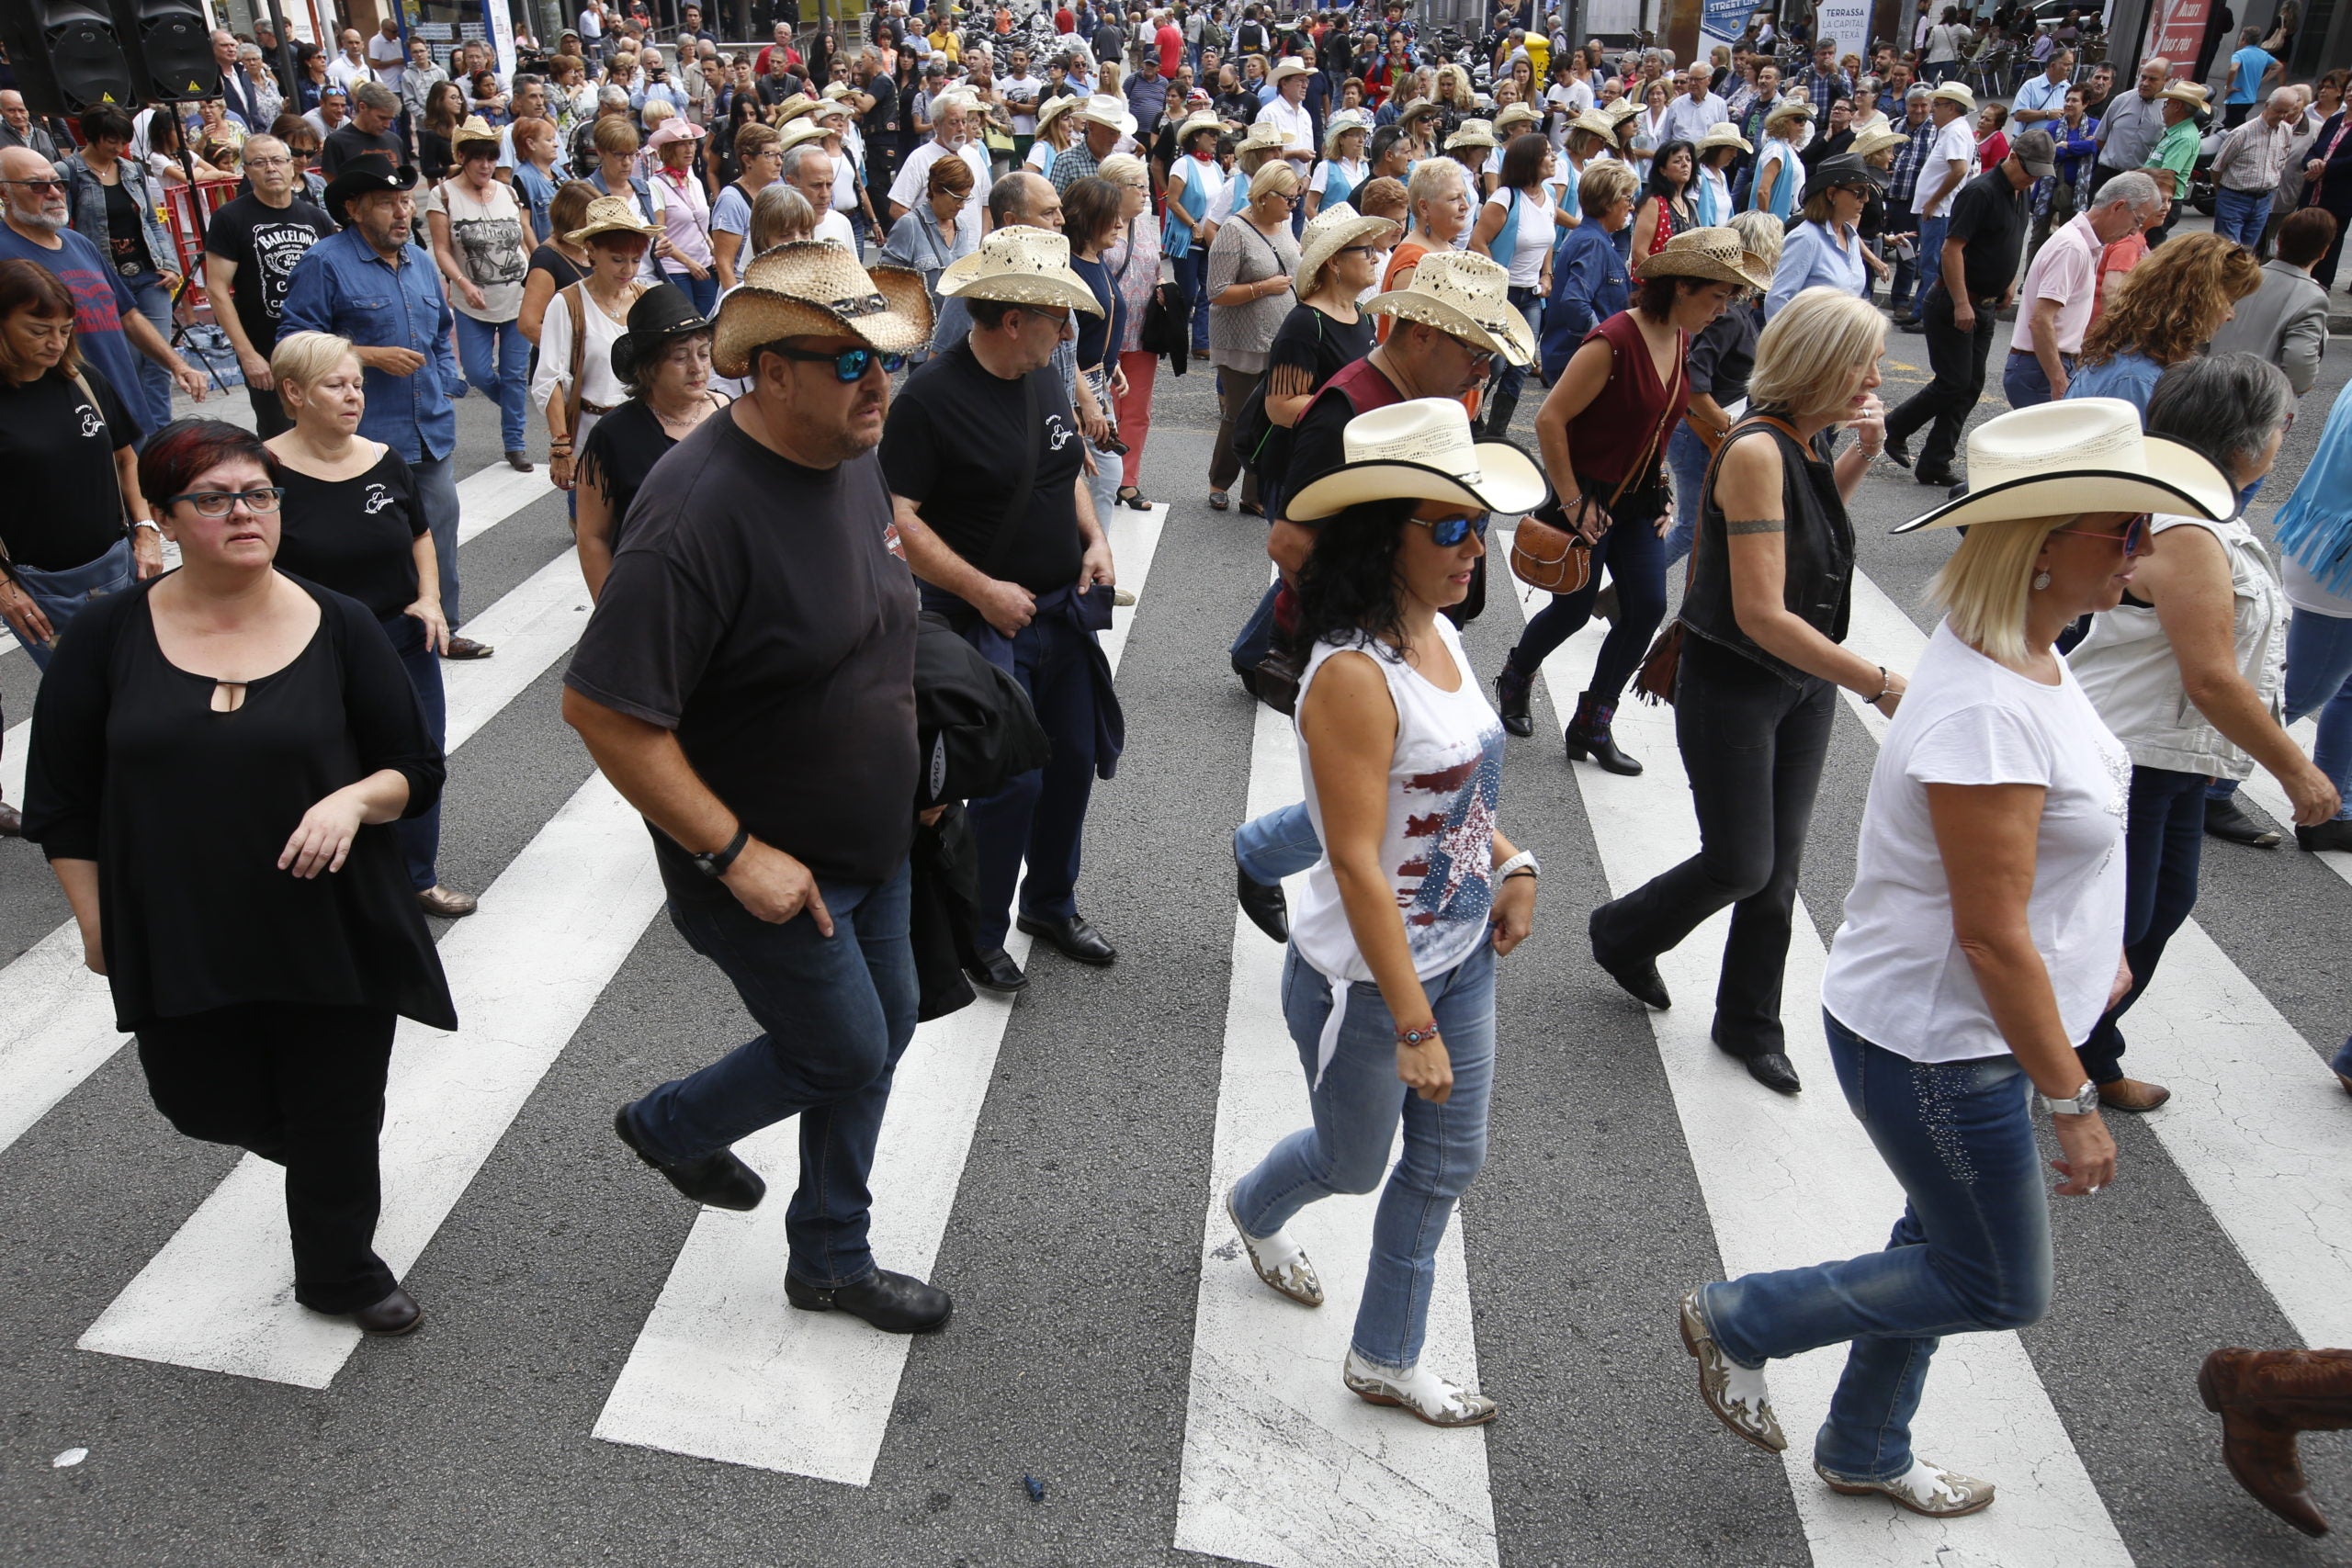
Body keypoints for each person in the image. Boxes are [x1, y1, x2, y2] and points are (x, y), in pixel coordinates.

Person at [1677, 400, 2235, 1521]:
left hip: (1958, 1028)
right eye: (2122, 530)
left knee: (1937, 1239)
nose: (2146, 550)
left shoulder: (2029, 652)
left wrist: (2095, 964)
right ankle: (1740, 1319)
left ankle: (1866, 1443)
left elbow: (2036, 878)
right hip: (1941, 1045)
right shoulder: (1986, 704)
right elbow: (1985, 933)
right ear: (2040, 548)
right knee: (1995, 1281)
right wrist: (2073, 1097)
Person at [563, 242, 951, 1337]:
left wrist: (922, 766)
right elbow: (602, 711)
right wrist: (737, 854)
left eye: (886, 360)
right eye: (846, 362)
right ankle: (671, 1125)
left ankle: (830, 1254)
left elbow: (875, 617)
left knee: (889, 1025)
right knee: (842, 1047)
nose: (876, 384)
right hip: (769, 864)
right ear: (768, 372)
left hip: (874, 836)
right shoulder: (696, 516)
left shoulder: (851, 449)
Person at [25, 417, 457, 1338]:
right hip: (179, 924)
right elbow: (59, 802)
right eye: (213, 499)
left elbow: (413, 766)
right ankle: (325, 1161)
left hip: (329, 923)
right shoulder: (106, 638)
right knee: (197, 1098)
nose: (242, 513)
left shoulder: (338, 625)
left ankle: (340, 1270)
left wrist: (350, 804)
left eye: (258, 494)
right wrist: (95, 922)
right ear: (167, 517)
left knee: (338, 1105)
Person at [1224, 396, 1543, 1428]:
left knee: (1446, 1166)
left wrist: (1513, 859)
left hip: (1460, 957)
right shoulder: (1355, 676)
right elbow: (1358, 864)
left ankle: (1385, 1358)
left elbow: (1450, 789)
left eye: (1477, 523)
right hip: (1368, 983)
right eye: (1448, 528)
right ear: (1381, 535)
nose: (1473, 548)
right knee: (1353, 1165)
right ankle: (1255, 1210)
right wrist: (1409, 1023)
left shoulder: (1436, 627)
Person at [1589, 287, 1894, 1094]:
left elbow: (1812, 534)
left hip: (1801, 682)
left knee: (1780, 866)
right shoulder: (1757, 447)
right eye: (1864, 356)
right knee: (1741, 861)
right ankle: (1622, 933)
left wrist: (1858, 453)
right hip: (1736, 679)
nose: (1876, 371)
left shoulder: (1805, 437)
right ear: (1825, 361)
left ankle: (1749, 1021)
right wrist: (1879, 682)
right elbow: (1760, 612)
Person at [2064, 358, 2335, 1113]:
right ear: (2244, 441)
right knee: (2120, 921)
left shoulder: (2203, 510)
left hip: (2176, 755)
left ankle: (2079, 1046)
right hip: (2133, 753)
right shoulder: (2183, 526)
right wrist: (2299, 774)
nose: (2286, 435)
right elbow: (2210, 677)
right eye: (2281, 424)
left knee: (2159, 905)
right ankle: (2063, 1056)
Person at [884, 227, 1120, 997]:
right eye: (1058, 313)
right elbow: (900, 520)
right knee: (1004, 782)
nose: (1068, 328)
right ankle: (979, 932)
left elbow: (1064, 473)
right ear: (1014, 317)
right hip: (980, 620)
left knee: (1074, 764)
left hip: (1060, 611)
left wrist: (1094, 541)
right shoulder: (929, 399)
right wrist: (983, 589)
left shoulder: (1044, 371)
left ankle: (1050, 904)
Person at [1494, 227, 1764, 773]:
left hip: (1638, 500)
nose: (1723, 310)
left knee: (1646, 608)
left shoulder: (1684, 338)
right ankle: (1516, 675)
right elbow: (1550, 419)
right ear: (1683, 287)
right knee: (1571, 610)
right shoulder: (1613, 340)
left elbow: (1661, 420)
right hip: (1586, 497)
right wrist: (1571, 502)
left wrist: (1662, 485)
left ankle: (1593, 723)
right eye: (1717, 296)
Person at [260, 332, 476, 921]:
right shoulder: (264, 470)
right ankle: (338, 883)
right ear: (294, 393)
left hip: (403, 641)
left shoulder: (383, 458)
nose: (353, 396)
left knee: (417, 759)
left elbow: (420, 535)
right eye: (337, 385)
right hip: (313, 651)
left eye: (357, 383)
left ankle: (417, 879)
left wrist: (430, 599)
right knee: (330, 766)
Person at [282, 164, 486, 660]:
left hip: (427, 430)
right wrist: (370, 356)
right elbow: (293, 340)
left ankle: (443, 626)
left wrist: (445, 380)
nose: (401, 212)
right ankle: (361, 640)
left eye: (406, 201)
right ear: (352, 210)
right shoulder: (323, 263)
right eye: (385, 202)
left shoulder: (418, 259)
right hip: (364, 435)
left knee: (437, 533)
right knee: (366, 543)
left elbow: (440, 330)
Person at [0, 258, 156, 671]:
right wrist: (4, 588)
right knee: (85, 699)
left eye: (65, 330)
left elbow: (126, 458)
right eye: (38, 330)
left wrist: (146, 530)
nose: (54, 343)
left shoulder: (82, 378)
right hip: (41, 586)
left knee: (145, 682)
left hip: (117, 565)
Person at [1881, 131, 2051, 488]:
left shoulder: (2021, 191)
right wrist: (1961, 302)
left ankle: (1935, 462)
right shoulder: (1981, 191)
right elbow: (1951, 249)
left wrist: (2007, 281)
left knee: (1970, 386)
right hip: (1955, 302)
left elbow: (2009, 239)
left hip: (1985, 305)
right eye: (2030, 170)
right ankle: (1894, 427)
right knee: (1953, 381)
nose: (2034, 178)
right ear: (2014, 158)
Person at [572, 284, 725, 599]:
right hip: (653, 600)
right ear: (650, 368)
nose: (697, 368)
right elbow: (592, 536)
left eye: (704, 353)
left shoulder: (731, 415)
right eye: (681, 357)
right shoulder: (613, 435)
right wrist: (612, 614)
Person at [1664, 209, 1782, 567]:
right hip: (1700, 436)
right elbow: (1695, 384)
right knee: (1693, 528)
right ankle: (1625, 595)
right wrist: (1728, 430)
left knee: (1706, 528)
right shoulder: (1728, 316)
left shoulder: (1733, 310)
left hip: (1702, 434)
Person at [57, 107, 184, 437]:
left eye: (123, 140)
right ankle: (134, 435)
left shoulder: (131, 170)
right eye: (110, 140)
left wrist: (169, 264)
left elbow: (152, 222)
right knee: (125, 361)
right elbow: (63, 229)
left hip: (147, 272)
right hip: (103, 277)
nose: (117, 147)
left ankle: (160, 434)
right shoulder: (69, 171)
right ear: (92, 136)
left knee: (158, 357)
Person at [201, 135, 336, 441]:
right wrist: (247, 354)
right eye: (259, 162)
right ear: (247, 172)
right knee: (280, 436)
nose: (270, 169)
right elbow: (217, 290)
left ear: (292, 167)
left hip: (317, 346)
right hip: (265, 349)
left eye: (277, 160)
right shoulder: (230, 218)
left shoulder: (315, 218)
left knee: (329, 426)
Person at [424, 119, 536, 475]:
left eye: (491, 157)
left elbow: (524, 236)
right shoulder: (442, 195)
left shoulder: (508, 191)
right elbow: (440, 250)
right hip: (474, 300)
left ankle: (515, 443)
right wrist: (462, 282)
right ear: (461, 157)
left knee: (516, 375)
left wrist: (540, 270)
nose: (485, 165)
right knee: (476, 371)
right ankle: (513, 406)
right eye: (477, 158)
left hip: (517, 296)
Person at [1997, 171, 2158, 412]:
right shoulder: (2072, 247)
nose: (2135, 231)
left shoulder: (2085, 244)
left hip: (2044, 365)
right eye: (2137, 220)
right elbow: (2041, 320)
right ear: (2119, 207)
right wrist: (2058, 380)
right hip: (2040, 368)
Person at [535, 196, 657, 506]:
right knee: (593, 543)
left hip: (643, 439)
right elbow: (550, 381)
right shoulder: (568, 304)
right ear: (591, 251)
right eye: (617, 259)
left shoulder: (647, 300)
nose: (628, 269)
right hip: (591, 440)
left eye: (635, 259)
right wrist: (561, 447)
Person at [2065, 232, 2263, 415]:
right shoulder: (2135, 379)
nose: (2230, 315)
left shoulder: (2142, 357)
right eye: (2229, 301)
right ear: (2194, 301)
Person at [1206, 160, 1303, 514]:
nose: (1293, 205)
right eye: (1289, 199)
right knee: (1240, 414)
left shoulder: (1284, 224)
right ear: (1264, 196)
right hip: (1241, 341)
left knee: (1273, 416)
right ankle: (1219, 482)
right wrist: (1264, 287)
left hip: (1281, 337)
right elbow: (1216, 291)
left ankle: (1255, 493)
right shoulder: (1234, 230)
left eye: (1296, 198)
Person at [1467, 133, 1555, 436]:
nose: (1553, 157)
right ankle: (1471, 418)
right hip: (1501, 294)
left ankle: (1497, 432)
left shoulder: (1549, 198)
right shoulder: (1505, 197)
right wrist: (1498, 280)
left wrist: (1547, 274)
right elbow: (1478, 241)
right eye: (1547, 153)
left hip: (1531, 296)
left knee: (1520, 366)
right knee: (1493, 364)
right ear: (1530, 161)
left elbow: (1547, 241)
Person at [1096, 152, 1163, 510]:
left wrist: (1165, 285)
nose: (1146, 194)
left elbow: (1154, 267)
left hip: (1143, 333)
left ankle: (1127, 480)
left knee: (1137, 410)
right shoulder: (1097, 225)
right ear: (1116, 188)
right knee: (1101, 407)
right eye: (1140, 187)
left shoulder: (1147, 224)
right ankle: (1100, 477)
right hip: (1105, 333)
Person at [2209, 207, 2335, 397]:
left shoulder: (2242, 276)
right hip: (2258, 398)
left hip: (2209, 382)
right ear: (2324, 252)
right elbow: (2299, 359)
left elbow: (2203, 329)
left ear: (2279, 242)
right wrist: (2296, 390)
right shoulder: (2312, 297)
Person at [1538, 159, 1635, 384]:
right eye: (1628, 198)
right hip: (1581, 363)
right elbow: (1575, 302)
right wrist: (1605, 347)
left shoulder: (1592, 238)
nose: (1631, 206)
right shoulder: (1593, 243)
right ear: (1609, 202)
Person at [881, 150, 978, 360]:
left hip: (960, 343)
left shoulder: (962, 228)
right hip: (923, 349)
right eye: (956, 198)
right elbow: (886, 285)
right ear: (935, 189)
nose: (961, 206)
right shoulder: (909, 226)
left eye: (965, 199)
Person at [1765, 152, 1879, 318]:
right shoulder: (1806, 238)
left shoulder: (1850, 235)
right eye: (1859, 191)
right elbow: (1777, 299)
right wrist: (1798, 341)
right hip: (1815, 341)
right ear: (1831, 194)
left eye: (1868, 191)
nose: (1866, 199)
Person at [1165, 108, 1227, 353]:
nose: (1215, 138)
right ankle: (1176, 338)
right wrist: (1193, 225)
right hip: (1187, 239)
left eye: (1216, 134)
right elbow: (1172, 201)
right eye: (1210, 133)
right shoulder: (1183, 165)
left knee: (1209, 292)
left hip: (1208, 240)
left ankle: (1201, 342)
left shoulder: (1216, 167)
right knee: (1187, 294)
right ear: (1195, 136)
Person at [2211, 87, 2304, 251]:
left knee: (2248, 252)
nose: (2282, 116)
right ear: (2267, 105)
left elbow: (2280, 161)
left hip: (2263, 199)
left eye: (2286, 112)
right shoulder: (2242, 133)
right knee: (2228, 251)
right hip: (2235, 197)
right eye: (2278, 111)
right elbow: (2217, 168)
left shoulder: (2286, 130)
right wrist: (2224, 193)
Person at [644, 118, 718, 313]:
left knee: (712, 318)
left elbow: (699, 224)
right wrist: (688, 263)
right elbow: (659, 233)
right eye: (681, 144)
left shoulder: (695, 182)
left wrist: (713, 249)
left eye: (691, 143)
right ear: (669, 149)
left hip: (704, 263)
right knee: (686, 320)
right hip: (676, 268)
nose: (689, 149)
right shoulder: (656, 184)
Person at [1749, 93, 1814, 222]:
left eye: (1805, 119)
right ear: (1782, 122)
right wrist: (1767, 224)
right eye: (1798, 119)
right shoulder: (1776, 149)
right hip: (1774, 223)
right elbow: (1763, 191)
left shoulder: (1786, 148)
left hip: (1787, 218)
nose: (1803, 123)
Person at [323, 82, 407, 180]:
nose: (387, 125)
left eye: (390, 119)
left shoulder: (395, 140)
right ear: (362, 107)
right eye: (382, 118)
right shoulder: (337, 142)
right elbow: (331, 185)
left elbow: (407, 182)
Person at [2223, 25, 2279, 129]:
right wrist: (2262, 81)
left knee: (2235, 127)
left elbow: (2233, 69)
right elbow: (2278, 66)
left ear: (2244, 39)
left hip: (2236, 97)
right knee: (2229, 123)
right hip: (2251, 99)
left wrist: (2229, 86)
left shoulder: (2239, 55)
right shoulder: (2263, 54)